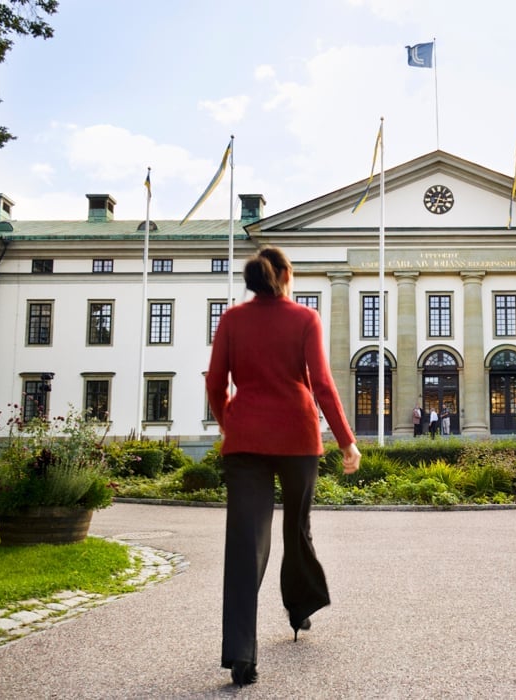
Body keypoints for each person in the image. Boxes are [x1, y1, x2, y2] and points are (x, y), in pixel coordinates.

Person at [206, 246, 361, 688]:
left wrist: (229, 422)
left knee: (245, 546)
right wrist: (347, 441)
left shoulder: (232, 319)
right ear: (287, 275)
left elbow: (216, 382)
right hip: (297, 438)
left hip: (246, 442)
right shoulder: (305, 319)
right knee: (297, 527)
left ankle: (240, 655)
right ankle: (299, 608)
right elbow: (323, 386)